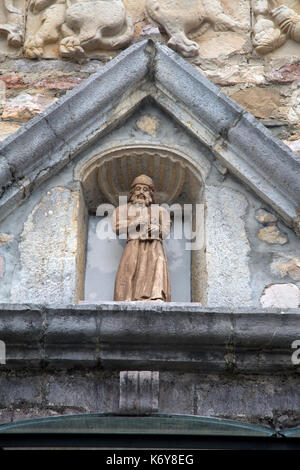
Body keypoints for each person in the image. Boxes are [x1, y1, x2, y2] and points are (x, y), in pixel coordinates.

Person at [111, 174, 171, 302]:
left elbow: (166, 230)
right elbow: (117, 227)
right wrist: (136, 222)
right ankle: (127, 298)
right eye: (138, 189)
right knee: (130, 270)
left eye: (145, 189)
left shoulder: (160, 211)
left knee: (156, 268)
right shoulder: (123, 209)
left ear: (151, 193)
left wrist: (158, 229)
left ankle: (155, 296)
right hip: (133, 245)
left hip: (154, 247)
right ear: (132, 192)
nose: (141, 193)